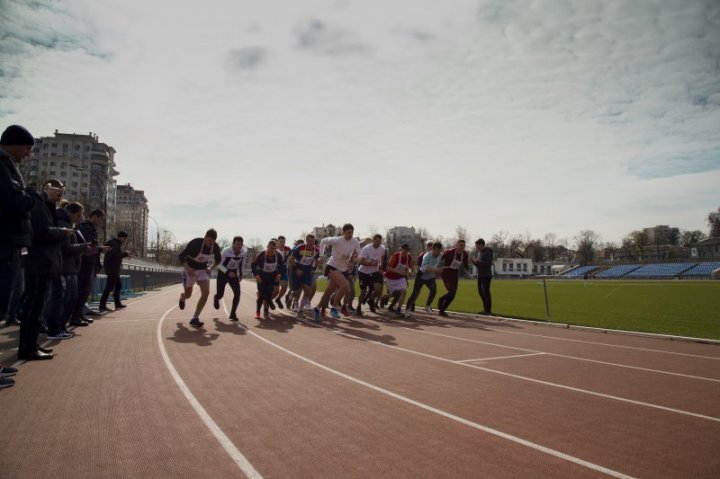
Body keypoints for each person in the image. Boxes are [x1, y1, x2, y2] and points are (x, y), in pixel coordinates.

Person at [18, 179, 74, 360]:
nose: (60, 194)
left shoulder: (47, 207)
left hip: (45, 263)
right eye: (58, 189)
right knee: (33, 305)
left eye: (63, 191)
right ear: (46, 188)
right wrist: (62, 232)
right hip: (38, 262)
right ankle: (28, 348)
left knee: (37, 306)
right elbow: (41, 233)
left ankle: (31, 345)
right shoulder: (37, 205)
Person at [0, 125, 37, 329]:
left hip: (10, 242)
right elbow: (14, 201)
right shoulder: (3, 166)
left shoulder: (8, 166)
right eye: (26, 148)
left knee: (5, 299)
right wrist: (34, 196)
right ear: (13, 145)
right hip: (5, 242)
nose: (28, 154)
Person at [46, 202, 88, 339]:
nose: (80, 218)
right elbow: (65, 248)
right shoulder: (62, 224)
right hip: (64, 268)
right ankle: (54, 328)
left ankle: (60, 327)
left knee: (70, 298)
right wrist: (83, 247)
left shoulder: (68, 224)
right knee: (63, 298)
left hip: (69, 267)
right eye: (79, 215)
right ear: (71, 213)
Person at [314, 224, 361, 320]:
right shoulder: (337, 240)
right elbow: (323, 241)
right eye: (348, 232)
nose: (350, 234)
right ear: (343, 232)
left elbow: (359, 254)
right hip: (332, 266)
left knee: (328, 292)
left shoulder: (355, 241)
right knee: (345, 285)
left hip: (342, 269)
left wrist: (355, 259)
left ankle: (317, 308)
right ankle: (334, 308)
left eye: (352, 232)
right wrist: (321, 255)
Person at [177, 228, 221, 328]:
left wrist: (211, 268)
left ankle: (195, 317)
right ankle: (182, 297)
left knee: (206, 293)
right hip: (190, 269)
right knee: (188, 295)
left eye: (213, 241)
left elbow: (218, 260)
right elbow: (181, 257)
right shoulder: (195, 243)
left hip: (202, 270)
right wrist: (188, 269)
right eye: (209, 240)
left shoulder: (215, 247)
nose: (211, 243)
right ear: (205, 237)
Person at [71, 209, 107, 326]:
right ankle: (75, 317)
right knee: (82, 290)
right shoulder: (86, 228)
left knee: (85, 291)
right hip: (85, 263)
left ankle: (80, 314)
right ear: (95, 217)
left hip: (89, 263)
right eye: (101, 219)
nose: (101, 222)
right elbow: (86, 246)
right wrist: (100, 249)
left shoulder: (90, 228)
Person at [287, 234, 320, 320]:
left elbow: (316, 261)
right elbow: (291, 259)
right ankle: (292, 295)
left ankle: (301, 311)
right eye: (309, 242)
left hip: (307, 271)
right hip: (297, 269)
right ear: (306, 241)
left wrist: (315, 266)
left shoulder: (316, 250)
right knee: (298, 290)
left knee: (307, 291)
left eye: (313, 242)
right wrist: (297, 269)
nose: (311, 244)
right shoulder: (300, 248)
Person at [213, 236, 246, 321]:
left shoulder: (243, 252)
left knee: (237, 293)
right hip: (223, 273)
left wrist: (241, 274)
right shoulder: (226, 251)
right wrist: (228, 272)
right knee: (220, 294)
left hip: (234, 274)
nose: (239, 246)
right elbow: (219, 265)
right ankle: (216, 298)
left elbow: (242, 264)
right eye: (238, 244)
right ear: (233, 243)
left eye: (241, 244)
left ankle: (232, 314)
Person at [406, 242, 444, 314]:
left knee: (434, 290)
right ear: (432, 249)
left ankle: (427, 306)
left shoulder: (440, 255)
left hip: (430, 277)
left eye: (439, 250)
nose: (438, 253)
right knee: (415, 294)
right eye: (437, 250)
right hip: (421, 276)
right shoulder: (426, 256)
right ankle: (407, 309)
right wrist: (435, 269)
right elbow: (425, 269)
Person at [251, 240, 284, 320]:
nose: (272, 250)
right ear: (267, 247)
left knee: (269, 294)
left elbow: (282, 266)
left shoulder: (278, 255)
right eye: (270, 248)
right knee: (261, 295)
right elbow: (253, 266)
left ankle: (266, 310)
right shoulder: (261, 255)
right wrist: (257, 276)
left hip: (271, 277)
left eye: (274, 248)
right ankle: (258, 311)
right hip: (261, 277)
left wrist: (279, 274)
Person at [99, 231, 131, 312]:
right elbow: (112, 255)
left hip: (114, 268)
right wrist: (124, 254)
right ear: (120, 237)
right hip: (112, 268)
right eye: (124, 238)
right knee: (109, 287)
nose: (125, 241)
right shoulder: (114, 244)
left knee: (118, 285)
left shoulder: (116, 244)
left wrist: (123, 254)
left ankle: (117, 304)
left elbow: (115, 255)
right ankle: (102, 306)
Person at [437, 239, 469, 317]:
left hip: (455, 274)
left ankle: (442, 310)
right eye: (460, 245)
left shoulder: (464, 254)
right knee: (451, 291)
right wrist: (437, 268)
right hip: (446, 273)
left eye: (463, 246)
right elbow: (440, 259)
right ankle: (441, 299)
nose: (462, 247)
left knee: (453, 294)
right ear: (457, 245)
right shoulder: (449, 252)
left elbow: (465, 264)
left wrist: (468, 272)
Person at [380, 244, 413, 317]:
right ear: (401, 249)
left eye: (407, 250)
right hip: (391, 278)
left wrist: (409, 272)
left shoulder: (409, 257)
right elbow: (388, 267)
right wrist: (397, 271)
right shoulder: (395, 256)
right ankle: (383, 298)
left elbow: (410, 267)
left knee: (403, 292)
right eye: (404, 249)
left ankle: (399, 309)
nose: (406, 251)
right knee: (393, 294)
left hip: (401, 278)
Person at [356, 234, 386, 315]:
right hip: (363, 272)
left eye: (380, 241)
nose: (378, 243)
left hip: (374, 271)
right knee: (363, 291)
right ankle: (358, 306)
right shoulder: (367, 249)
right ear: (373, 240)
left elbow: (381, 259)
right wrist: (370, 263)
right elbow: (360, 261)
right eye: (377, 241)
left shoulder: (382, 249)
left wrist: (381, 268)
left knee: (378, 288)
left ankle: (371, 300)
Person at [472, 238, 494, 315]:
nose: (477, 248)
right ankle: (485, 309)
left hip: (486, 275)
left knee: (486, 292)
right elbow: (479, 265)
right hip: (480, 275)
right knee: (481, 292)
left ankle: (488, 310)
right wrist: (474, 262)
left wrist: (477, 261)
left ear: (481, 244)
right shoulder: (480, 252)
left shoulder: (488, 251)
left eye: (477, 246)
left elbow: (488, 263)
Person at [273, 235, 291, 309]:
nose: (282, 244)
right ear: (277, 242)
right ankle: (268, 301)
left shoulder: (287, 249)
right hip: (274, 271)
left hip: (283, 270)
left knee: (285, 287)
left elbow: (291, 257)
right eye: (280, 242)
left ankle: (278, 299)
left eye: (284, 242)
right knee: (275, 290)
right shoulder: (274, 249)